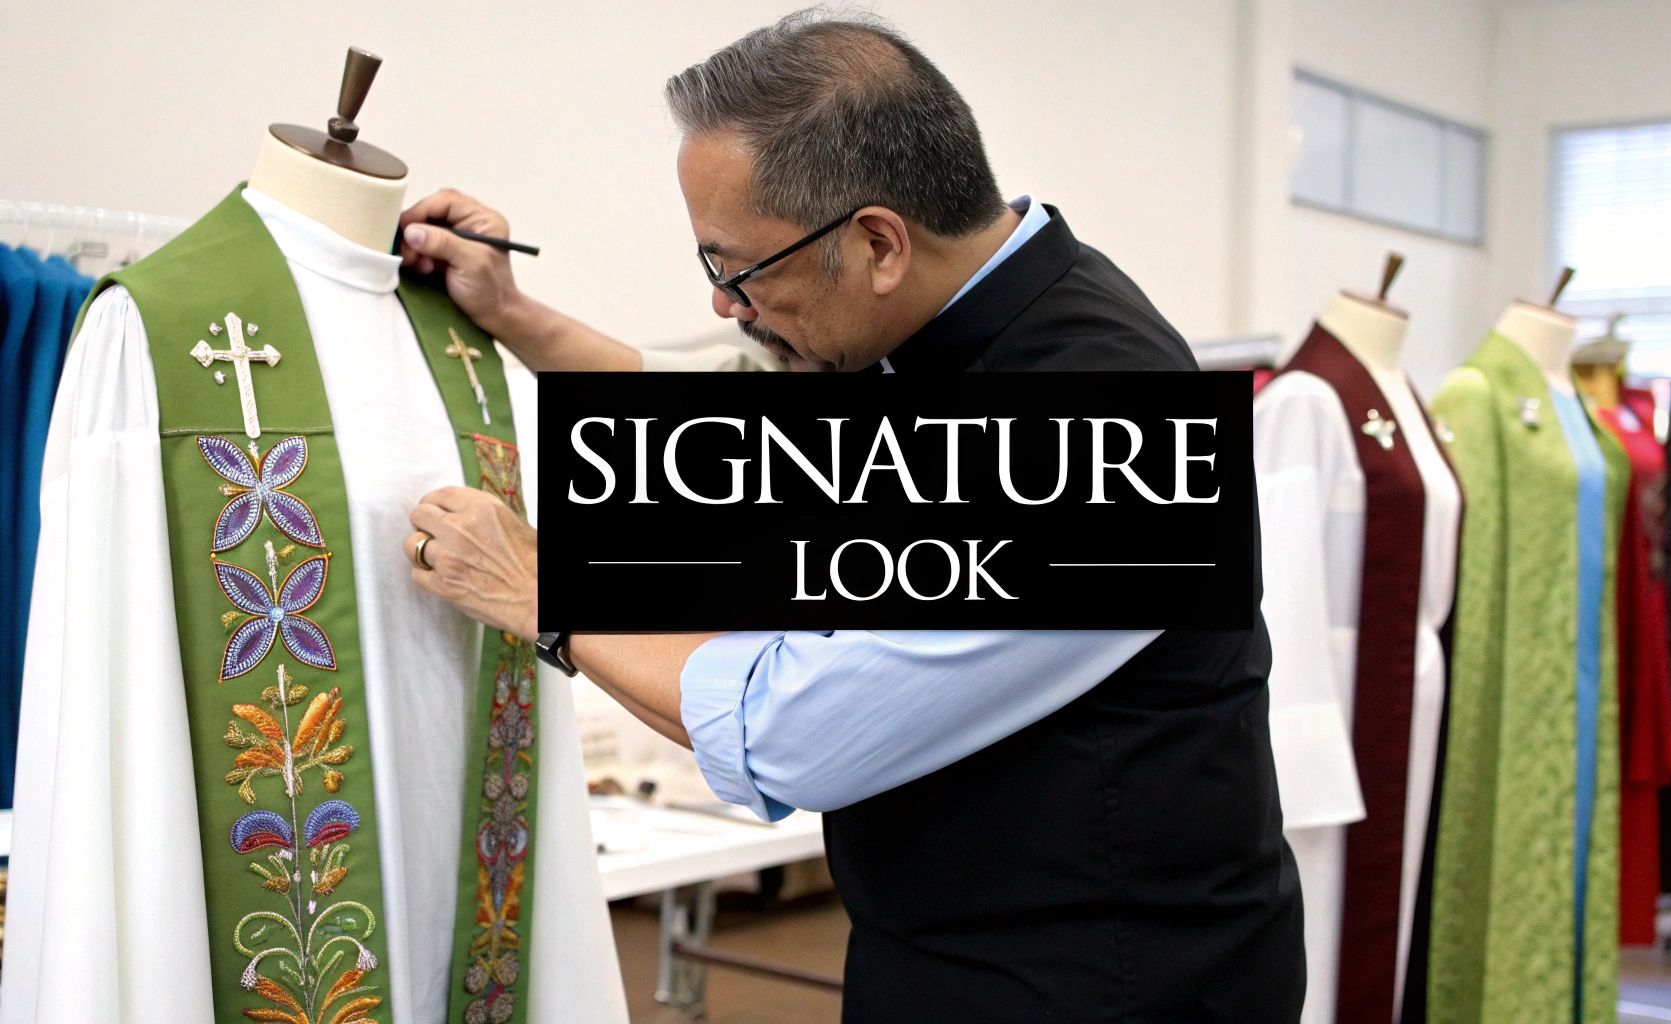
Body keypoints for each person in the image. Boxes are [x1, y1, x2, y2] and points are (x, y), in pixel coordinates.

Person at [399, 11, 1304, 1021]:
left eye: (738, 271)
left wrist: (538, 587)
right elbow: (739, 439)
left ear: (876, 242)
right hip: (948, 952)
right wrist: (519, 317)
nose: (725, 308)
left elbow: (792, 729)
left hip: (1101, 988)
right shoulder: (952, 321)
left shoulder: (1104, 428)